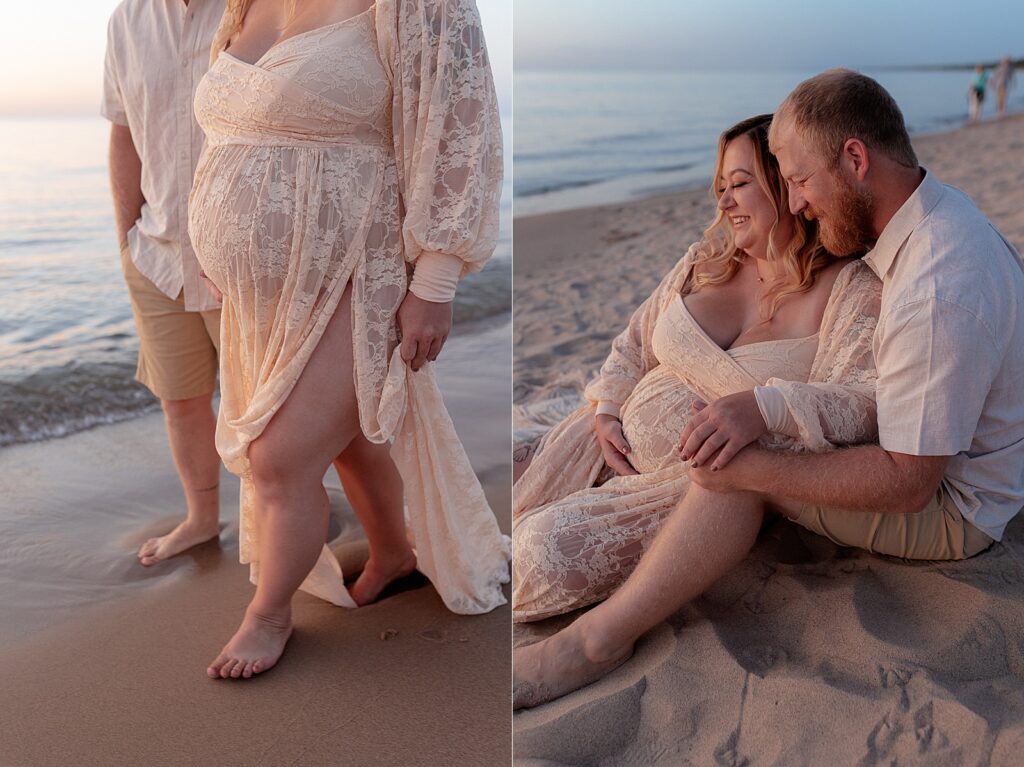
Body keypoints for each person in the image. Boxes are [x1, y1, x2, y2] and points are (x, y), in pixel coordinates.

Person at [513, 68, 1024, 709]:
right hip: (926, 457)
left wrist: (758, 433)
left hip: (951, 503)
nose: (799, 199)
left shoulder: (934, 281)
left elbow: (908, 480)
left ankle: (594, 641)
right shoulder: (932, 227)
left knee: (737, 469)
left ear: (855, 159)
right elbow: (638, 338)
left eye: (799, 180)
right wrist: (613, 403)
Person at [188, 0, 509, 679]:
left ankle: (269, 612)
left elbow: (462, 122)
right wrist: (212, 252)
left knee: (279, 455)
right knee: (351, 435)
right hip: (260, 293)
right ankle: (394, 551)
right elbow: (229, 134)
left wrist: (437, 283)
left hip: (358, 268)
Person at [512, 114, 881, 623]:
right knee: (501, 481)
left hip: (684, 491)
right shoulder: (706, 261)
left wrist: (766, 407)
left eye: (740, 185)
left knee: (540, 556)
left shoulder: (848, 288)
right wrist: (608, 410)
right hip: (603, 442)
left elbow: (863, 400)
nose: (723, 202)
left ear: (785, 183)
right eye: (721, 187)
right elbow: (633, 343)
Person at [103, 0, 227, 567]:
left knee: (272, 410)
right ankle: (202, 520)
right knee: (180, 401)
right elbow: (124, 133)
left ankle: (292, 516)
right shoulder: (126, 22)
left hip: (240, 259)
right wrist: (125, 235)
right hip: (155, 256)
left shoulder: (262, 9)